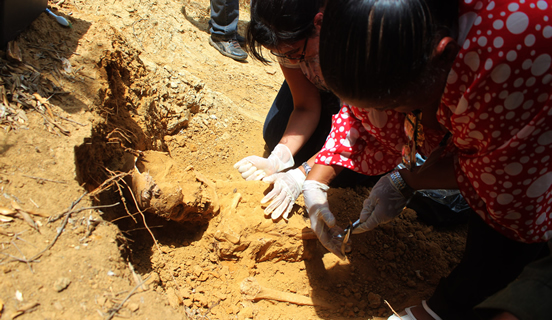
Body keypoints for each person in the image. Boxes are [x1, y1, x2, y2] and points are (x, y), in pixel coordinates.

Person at [305, 0, 552, 319]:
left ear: (445, 56)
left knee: (499, 226)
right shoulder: (375, 34)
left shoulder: (512, 59)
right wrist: (315, 179)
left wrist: (409, 179)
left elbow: (508, 179)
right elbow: (365, 114)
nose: (398, 116)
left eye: (404, 106)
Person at [234, 0, 377, 222]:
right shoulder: (286, 36)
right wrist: (278, 158)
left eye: (294, 53)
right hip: (330, 80)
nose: (290, 60)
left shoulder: (364, 36)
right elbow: (305, 106)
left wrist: (302, 175)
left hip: (372, 101)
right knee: (276, 134)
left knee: (341, 173)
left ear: (319, 23)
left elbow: (364, 126)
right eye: (282, 55)